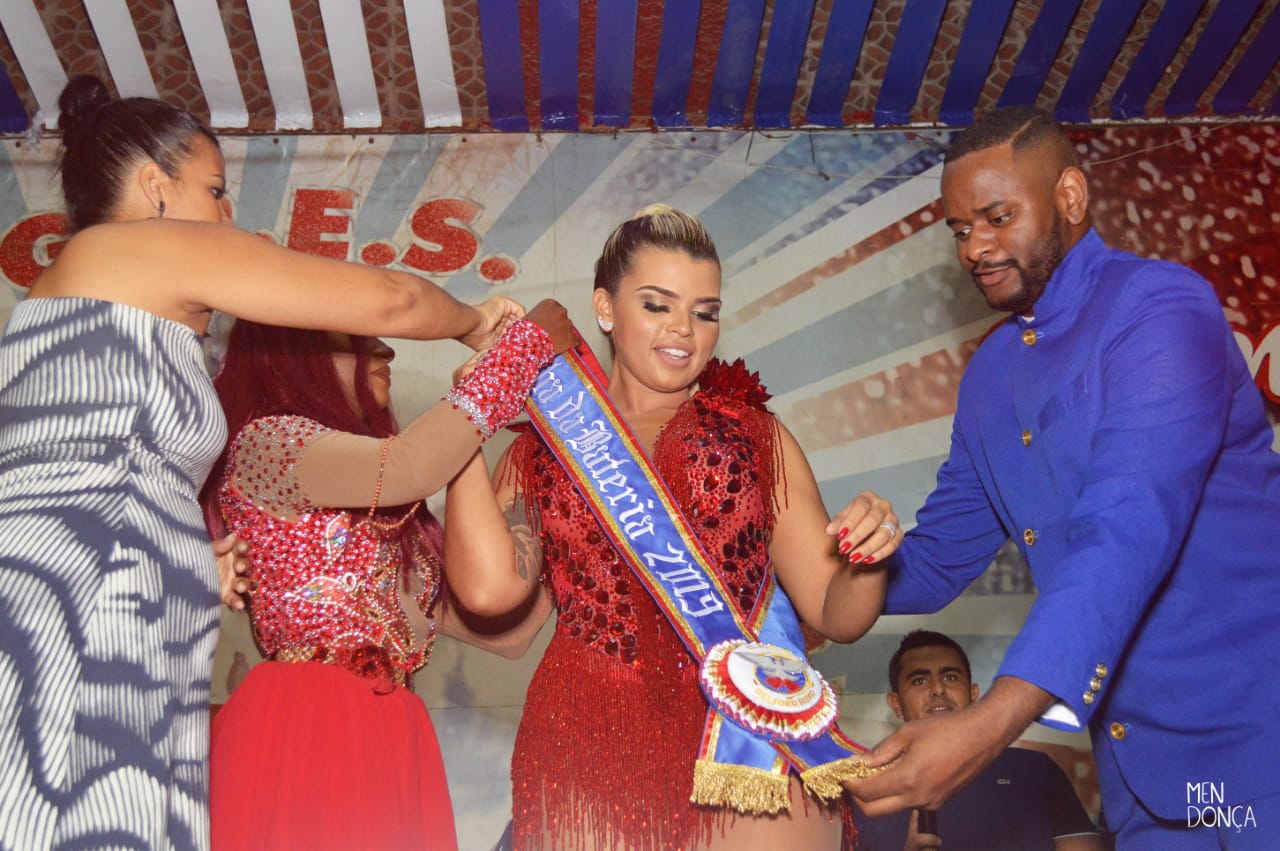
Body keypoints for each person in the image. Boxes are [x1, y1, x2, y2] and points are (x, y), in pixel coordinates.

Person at [0, 74, 526, 850]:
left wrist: (182, 548)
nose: (225, 215)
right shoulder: (123, 249)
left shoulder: (122, 297)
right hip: (80, 608)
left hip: (143, 625)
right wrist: (480, 324)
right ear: (154, 188)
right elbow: (391, 300)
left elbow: (107, 461)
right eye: (213, 190)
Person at [846, 106, 1280, 849]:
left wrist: (990, 722)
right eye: (958, 229)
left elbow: (1126, 530)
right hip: (1142, 779)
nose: (975, 247)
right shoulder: (989, 374)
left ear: (1072, 198)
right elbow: (936, 556)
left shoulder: (1162, 308)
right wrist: (803, 571)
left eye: (996, 216)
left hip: (1257, 741)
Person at [444, 204, 901, 850]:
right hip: (585, 741)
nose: (684, 329)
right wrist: (464, 424)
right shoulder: (546, 445)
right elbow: (490, 592)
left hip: (742, 738)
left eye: (704, 310)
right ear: (605, 308)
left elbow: (836, 611)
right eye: (657, 305)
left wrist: (868, 556)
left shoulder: (754, 436)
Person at [202, 307, 574, 850]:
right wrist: (524, 349)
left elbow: (507, 632)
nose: (386, 352)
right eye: (358, 338)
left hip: (386, 730)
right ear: (292, 354)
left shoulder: (390, 522)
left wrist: (575, 501)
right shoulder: (267, 444)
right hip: (308, 726)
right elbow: (408, 467)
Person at [855, 630, 1103, 851]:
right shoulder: (867, 791)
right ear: (896, 704)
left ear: (974, 694)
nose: (938, 689)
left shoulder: (1034, 768)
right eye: (919, 681)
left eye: (951, 677)